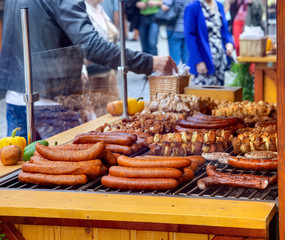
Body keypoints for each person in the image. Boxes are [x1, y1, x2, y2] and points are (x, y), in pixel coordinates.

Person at [0, 0, 177, 140]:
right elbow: (92, 46)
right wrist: (148, 62)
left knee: (21, 173)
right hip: (52, 101)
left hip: (16, 98)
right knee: (67, 173)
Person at [184, 0, 234, 86]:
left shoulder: (219, 6)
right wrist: (198, 61)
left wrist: (229, 43)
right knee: (202, 95)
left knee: (219, 94)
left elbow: (225, 31)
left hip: (220, 59)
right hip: (204, 59)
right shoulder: (193, 7)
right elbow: (190, 36)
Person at [161, 0, 194, 65]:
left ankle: (176, 74)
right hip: (189, 29)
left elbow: (165, 7)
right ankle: (186, 74)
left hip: (174, 29)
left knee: (174, 59)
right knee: (187, 58)